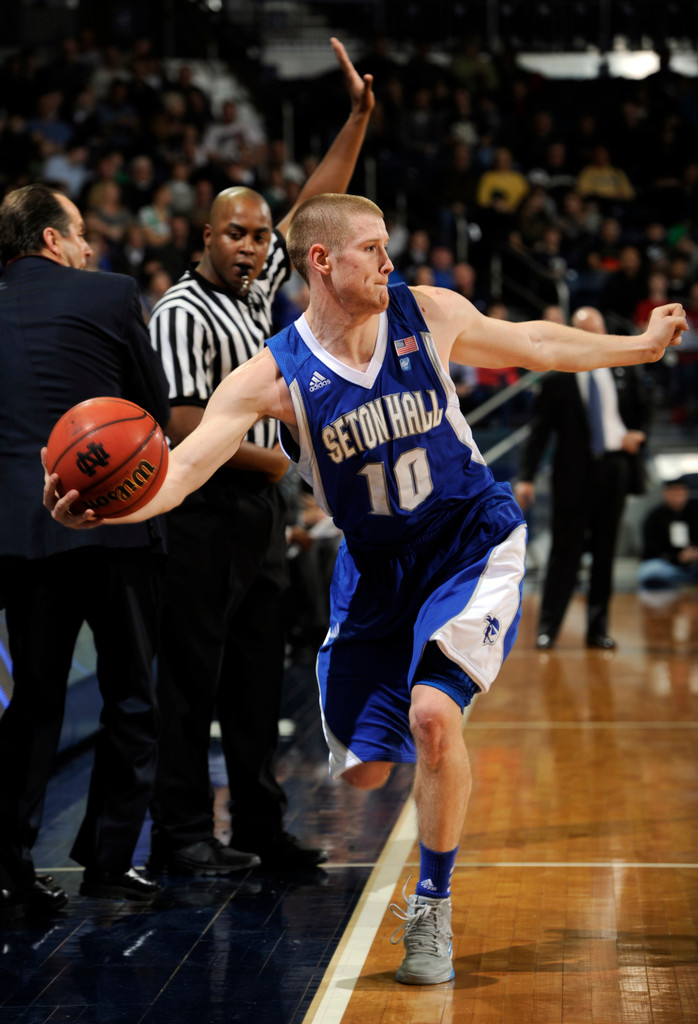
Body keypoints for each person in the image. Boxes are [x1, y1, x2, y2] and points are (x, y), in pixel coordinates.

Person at [44, 193, 686, 983]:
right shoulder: (272, 376)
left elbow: (536, 341)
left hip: (468, 543)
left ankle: (432, 908)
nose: (390, 261)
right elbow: (179, 473)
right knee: (365, 773)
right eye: (372, 248)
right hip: (376, 576)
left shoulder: (426, 313)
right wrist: (105, 508)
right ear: (323, 261)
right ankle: (396, 738)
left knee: (434, 719)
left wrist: (639, 346)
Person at [142, 37, 376, 877]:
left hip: (255, 515)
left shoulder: (252, 289)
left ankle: (258, 827)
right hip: (201, 512)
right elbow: (180, 422)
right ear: (205, 237)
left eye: (256, 237)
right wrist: (273, 464)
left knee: (254, 679)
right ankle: (180, 835)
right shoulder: (182, 311)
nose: (250, 247)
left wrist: (356, 119)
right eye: (234, 235)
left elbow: (314, 203)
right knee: (191, 682)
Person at [0, 183, 170, 922]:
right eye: (78, 233)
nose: (88, 247)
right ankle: (107, 862)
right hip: (114, 524)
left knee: (33, 703)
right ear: (50, 239)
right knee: (131, 695)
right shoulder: (110, 293)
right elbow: (152, 413)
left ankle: (10, 871)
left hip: (23, 534)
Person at [515, 306, 652, 650]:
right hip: (572, 473)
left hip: (615, 468)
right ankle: (548, 628)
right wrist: (527, 476)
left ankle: (598, 629)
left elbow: (644, 408)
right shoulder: (557, 374)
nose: (594, 335)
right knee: (565, 550)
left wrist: (638, 434)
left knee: (606, 551)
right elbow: (539, 430)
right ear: (573, 333)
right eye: (586, 330)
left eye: (598, 328)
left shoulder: (623, 368)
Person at [638, 478, 698, 591]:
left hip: (693, 566)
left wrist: (693, 554)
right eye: (674, 492)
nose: (678, 497)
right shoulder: (654, 517)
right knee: (650, 571)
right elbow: (650, 549)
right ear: (666, 493)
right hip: (667, 565)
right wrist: (677, 556)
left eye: (681, 492)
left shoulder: (694, 513)